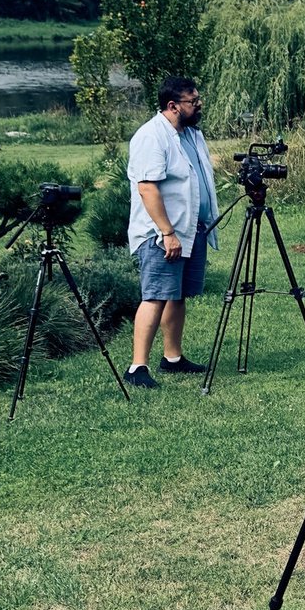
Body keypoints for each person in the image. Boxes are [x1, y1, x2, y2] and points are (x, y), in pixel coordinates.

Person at [123, 74, 219, 388]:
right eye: (194, 101)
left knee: (177, 296)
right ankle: (137, 367)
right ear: (173, 105)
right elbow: (148, 188)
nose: (199, 105)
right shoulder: (152, 136)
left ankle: (172, 357)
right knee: (155, 296)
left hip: (190, 230)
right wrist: (167, 232)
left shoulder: (191, 134)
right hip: (162, 234)